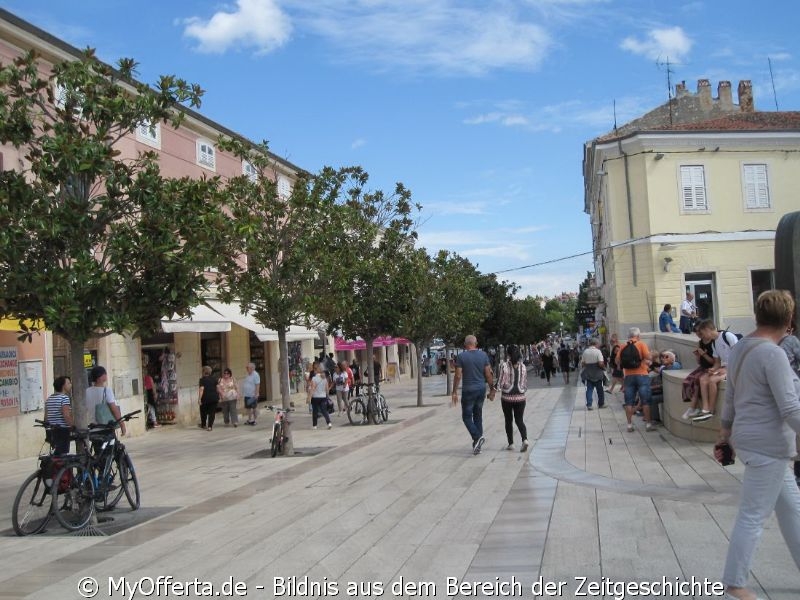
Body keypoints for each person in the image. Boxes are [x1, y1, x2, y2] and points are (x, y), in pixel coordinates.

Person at [716, 290, 800, 600]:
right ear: (789, 320)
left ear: (757, 315)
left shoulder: (740, 348)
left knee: (793, 510)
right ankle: (735, 584)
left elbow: (731, 396)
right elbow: (790, 407)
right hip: (768, 444)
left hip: (751, 438)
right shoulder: (773, 354)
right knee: (752, 516)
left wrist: (724, 431)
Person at [451, 335, 495, 455]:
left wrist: (454, 391)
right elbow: (488, 373)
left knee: (466, 417)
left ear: (465, 345)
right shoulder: (483, 355)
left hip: (468, 390)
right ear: (476, 344)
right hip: (481, 389)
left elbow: (458, 375)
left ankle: (477, 437)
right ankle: (477, 445)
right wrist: (492, 389)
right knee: (478, 416)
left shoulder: (461, 357)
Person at [693, 319, 739, 422]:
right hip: (725, 368)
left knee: (712, 380)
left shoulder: (727, 336)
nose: (702, 336)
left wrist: (727, 369)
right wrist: (713, 369)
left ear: (708, 330)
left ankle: (711, 410)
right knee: (703, 379)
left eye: (703, 333)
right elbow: (717, 362)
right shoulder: (714, 343)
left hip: (735, 368)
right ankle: (705, 409)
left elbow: (739, 355)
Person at [495, 344, 528, 452]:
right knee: (519, 420)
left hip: (507, 399)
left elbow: (500, 383)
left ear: (508, 354)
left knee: (508, 420)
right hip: (521, 398)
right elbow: (525, 384)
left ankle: (511, 443)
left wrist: (495, 389)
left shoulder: (504, 366)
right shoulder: (523, 366)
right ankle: (525, 439)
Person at [621, 327, 654, 432]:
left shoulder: (623, 346)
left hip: (628, 376)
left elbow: (618, 361)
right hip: (642, 375)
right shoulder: (641, 344)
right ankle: (648, 424)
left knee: (629, 402)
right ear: (638, 336)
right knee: (645, 400)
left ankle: (629, 425)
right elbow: (648, 357)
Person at [85, 365, 127, 436]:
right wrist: (122, 424)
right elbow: (114, 409)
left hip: (93, 427)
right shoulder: (107, 390)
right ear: (102, 376)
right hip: (106, 427)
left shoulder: (87, 391)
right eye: (105, 374)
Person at [44, 375, 73, 455]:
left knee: (56, 454)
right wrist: (73, 426)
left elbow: (46, 418)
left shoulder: (49, 399)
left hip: (52, 431)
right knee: (63, 454)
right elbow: (66, 415)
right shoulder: (64, 398)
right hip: (62, 430)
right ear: (63, 386)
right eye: (69, 383)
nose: (71, 385)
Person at [580, 338, 606, 410]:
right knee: (599, 389)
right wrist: (604, 367)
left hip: (588, 373)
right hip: (597, 373)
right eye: (598, 344)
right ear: (596, 344)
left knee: (589, 389)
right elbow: (600, 363)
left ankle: (589, 404)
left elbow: (583, 363)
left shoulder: (585, 351)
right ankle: (601, 404)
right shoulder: (598, 351)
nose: (599, 345)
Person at [308, 363, 332, 429]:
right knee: (324, 411)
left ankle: (315, 425)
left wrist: (309, 397)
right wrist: (327, 396)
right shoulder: (324, 378)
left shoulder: (314, 378)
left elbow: (312, 388)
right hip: (323, 397)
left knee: (315, 412)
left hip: (315, 397)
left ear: (316, 370)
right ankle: (329, 423)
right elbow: (327, 389)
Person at [198, 365, 219, 431]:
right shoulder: (214, 379)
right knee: (212, 412)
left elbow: (202, 389)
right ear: (210, 372)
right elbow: (218, 388)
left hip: (205, 398)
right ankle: (210, 426)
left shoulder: (202, 380)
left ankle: (204, 425)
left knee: (203, 411)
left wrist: (199, 398)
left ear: (204, 372)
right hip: (214, 398)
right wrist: (220, 395)